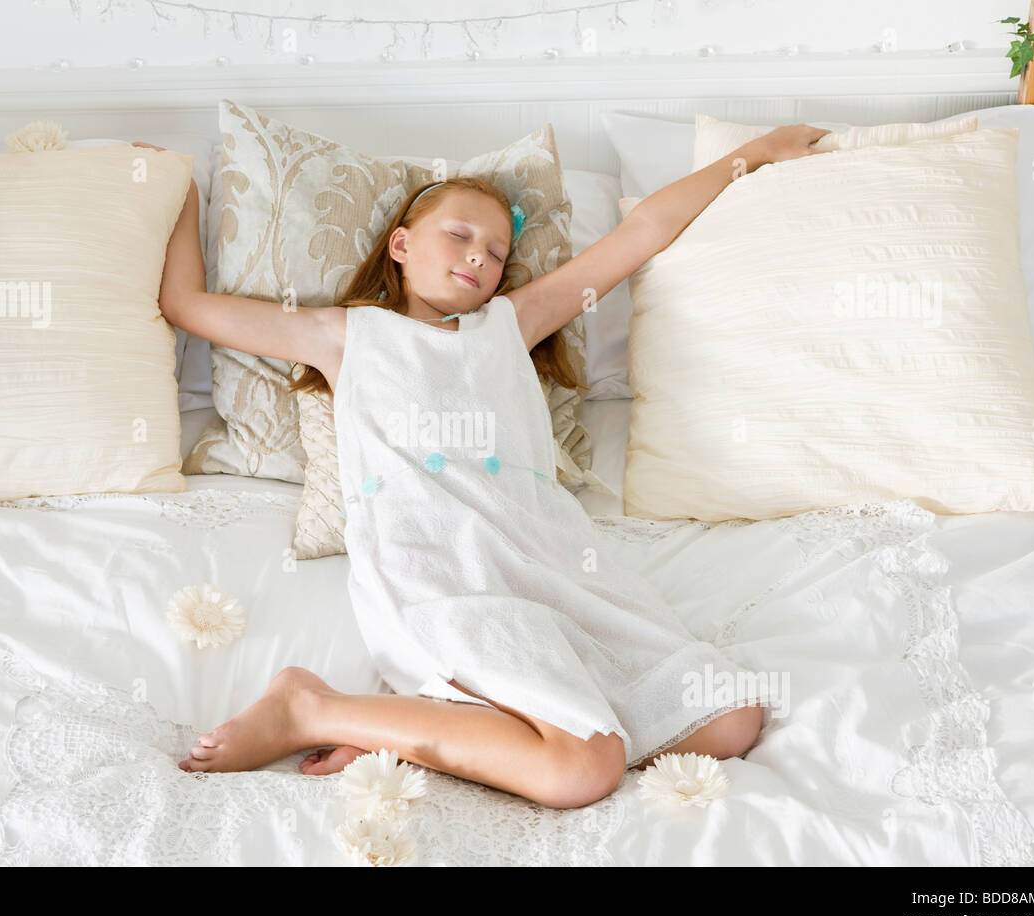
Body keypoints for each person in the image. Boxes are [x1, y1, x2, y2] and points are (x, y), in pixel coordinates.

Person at [141, 121, 829, 809]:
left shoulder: (511, 323)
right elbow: (185, 305)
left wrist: (752, 155)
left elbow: (642, 232)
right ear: (402, 246)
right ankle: (310, 708)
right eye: (460, 236)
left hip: (548, 563)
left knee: (730, 719)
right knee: (583, 769)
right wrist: (182, 189)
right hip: (440, 567)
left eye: (497, 251)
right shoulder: (346, 336)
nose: (480, 258)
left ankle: (421, 728)